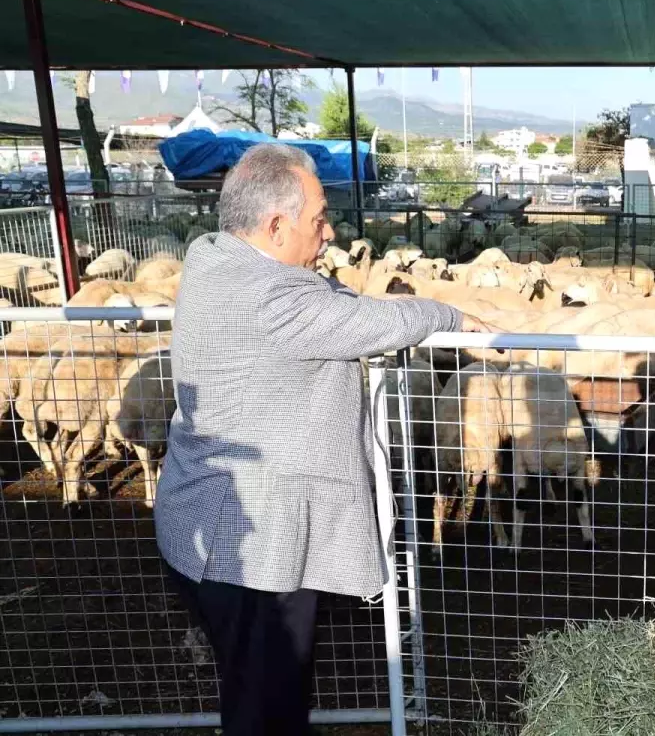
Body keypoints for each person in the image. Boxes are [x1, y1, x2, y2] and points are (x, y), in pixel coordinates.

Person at [154, 143, 495, 735]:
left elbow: (331, 304)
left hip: (218, 529)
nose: (330, 230)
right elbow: (368, 322)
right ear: (276, 224)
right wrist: (451, 317)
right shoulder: (269, 295)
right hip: (252, 547)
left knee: (262, 693)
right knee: (264, 706)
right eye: (318, 217)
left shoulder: (217, 261)